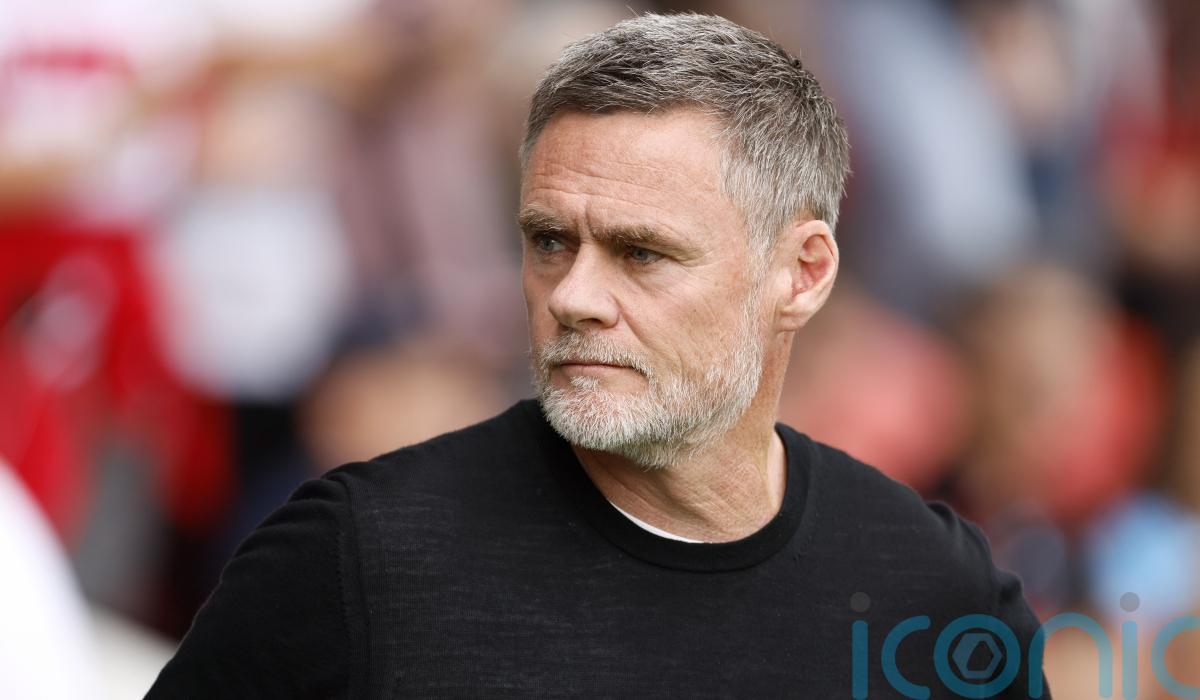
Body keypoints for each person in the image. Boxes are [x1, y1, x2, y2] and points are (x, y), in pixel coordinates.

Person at [148, 13, 1049, 698]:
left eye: (641, 253)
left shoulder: (933, 590)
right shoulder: (358, 557)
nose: (573, 295)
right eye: (549, 242)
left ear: (802, 274)